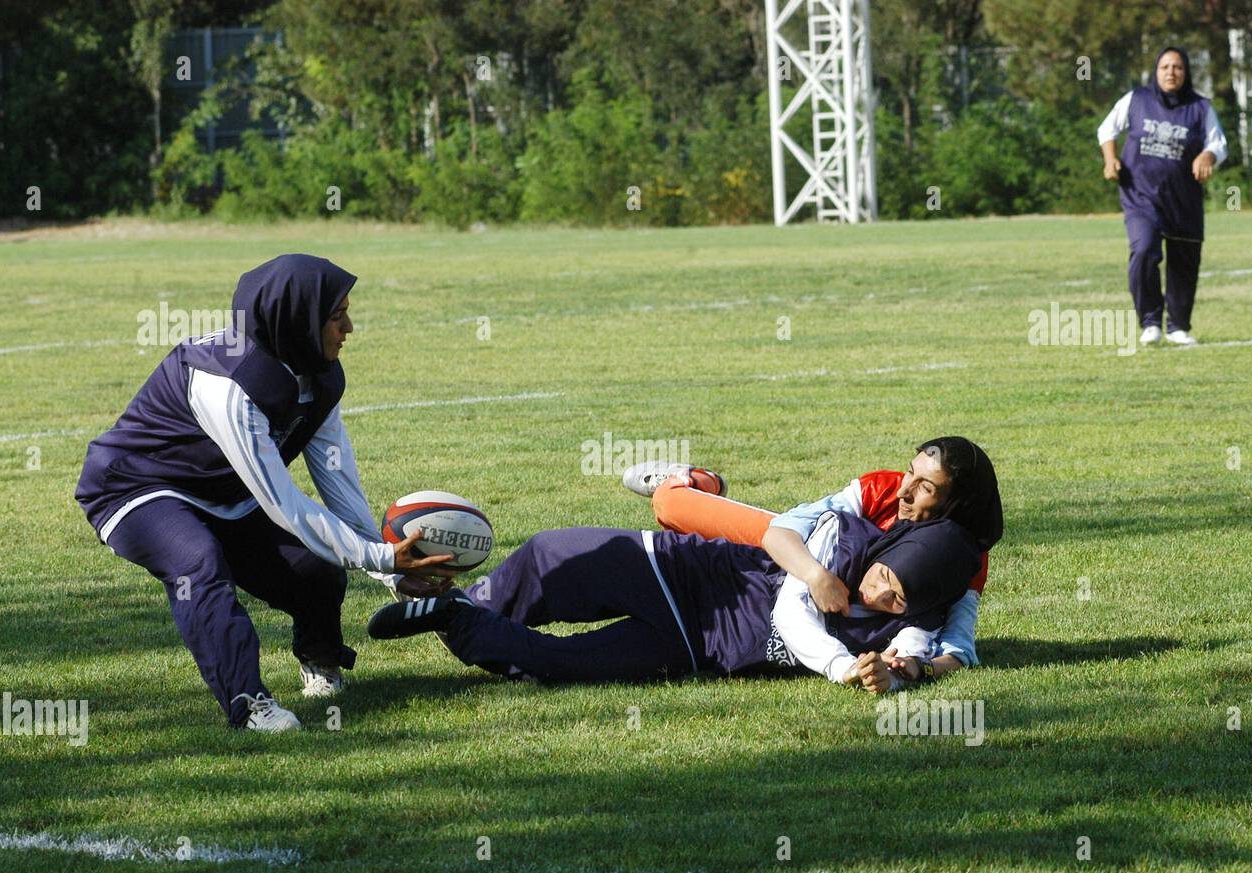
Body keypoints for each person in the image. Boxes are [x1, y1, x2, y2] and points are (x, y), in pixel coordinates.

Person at [74, 254, 452, 732]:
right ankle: (248, 705)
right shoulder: (227, 382)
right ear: (297, 321)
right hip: (139, 487)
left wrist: (391, 569)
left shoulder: (316, 375)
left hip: (227, 493)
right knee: (198, 563)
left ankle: (320, 661)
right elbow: (284, 504)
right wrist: (380, 559)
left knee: (319, 569)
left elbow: (339, 483)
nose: (350, 328)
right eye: (337, 317)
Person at [368, 513, 983, 693]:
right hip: (677, 571)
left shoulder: (917, 618)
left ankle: (452, 616)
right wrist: (842, 665)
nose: (879, 592)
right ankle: (459, 600)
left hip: (696, 647)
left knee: (559, 666)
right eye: (883, 576)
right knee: (546, 557)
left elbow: (918, 657)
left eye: (898, 596)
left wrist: (895, 674)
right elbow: (794, 615)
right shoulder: (845, 535)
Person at [620, 435, 1002, 691]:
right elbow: (779, 534)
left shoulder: (962, 559)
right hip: (793, 550)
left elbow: (959, 650)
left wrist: (916, 668)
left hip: (780, 596)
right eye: (910, 472)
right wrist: (816, 575)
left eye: (926, 488)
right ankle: (697, 481)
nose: (904, 490)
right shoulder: (882, 489)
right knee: (669, 504)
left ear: (955, 504)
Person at [1098, 46, 1228, 348]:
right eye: (1165, 67)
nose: (1171, 72)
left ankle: (1178, 327)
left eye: (1178, 67)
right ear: (1156, 71)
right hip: (1140, 195)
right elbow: (1107, 129)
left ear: (1187, 73)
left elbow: (1218, 144)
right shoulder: (1137, 99)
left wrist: (1207, 156)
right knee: (1144, 250)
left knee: (1184, 261)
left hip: (1183, 198)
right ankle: (1150, 322)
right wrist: (1110, 159)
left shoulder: (1200, 108)